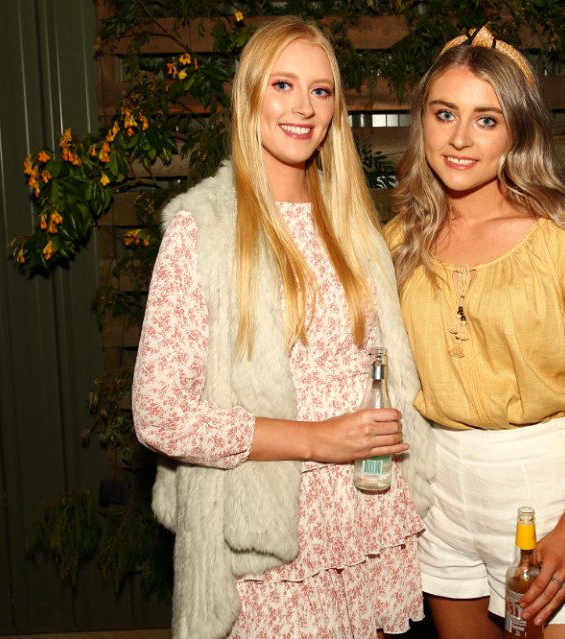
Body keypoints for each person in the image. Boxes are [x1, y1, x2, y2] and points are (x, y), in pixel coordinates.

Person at [131, 16, 434, 639]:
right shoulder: (203, 229)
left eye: (321, 90)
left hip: (368, 513)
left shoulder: (351, 219)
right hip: (270, 538)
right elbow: (159, 414)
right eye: (283, 85)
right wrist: (316, 440)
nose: (304, 107)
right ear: (250, 95)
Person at [385, 26, 565, 639]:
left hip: (544, 493)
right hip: (437, 492)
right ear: (423, 121)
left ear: (518, 131)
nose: (460, 138)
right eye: (445, 113)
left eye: (487, 120)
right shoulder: (399, 242)